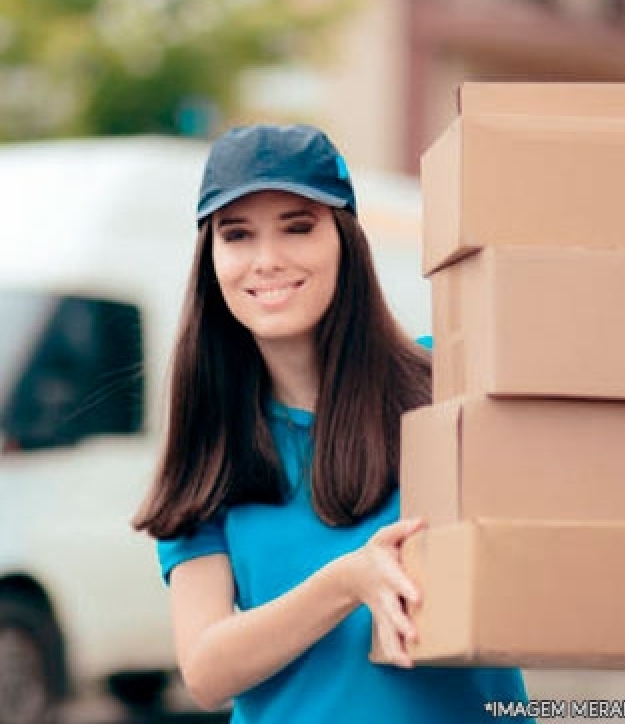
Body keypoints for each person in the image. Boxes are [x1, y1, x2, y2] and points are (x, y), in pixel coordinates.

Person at [133, 124, 529, 722]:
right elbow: (207, 671)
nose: (266, 260)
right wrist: (346, 583)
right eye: (236, 235)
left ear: (347, 239)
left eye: (298, 227)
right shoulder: (211, 441)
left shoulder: (448, 387)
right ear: (211, 259)